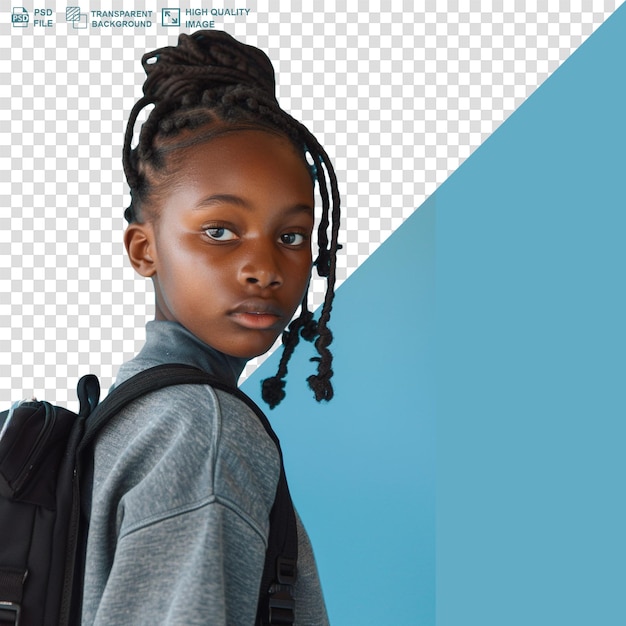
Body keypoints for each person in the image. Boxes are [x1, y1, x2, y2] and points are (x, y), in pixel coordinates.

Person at [81, 30, 341, 625]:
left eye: (291, 236)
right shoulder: (205, 429)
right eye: (220, 231)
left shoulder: (132, 415)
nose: (263, 268)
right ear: (143, 249)